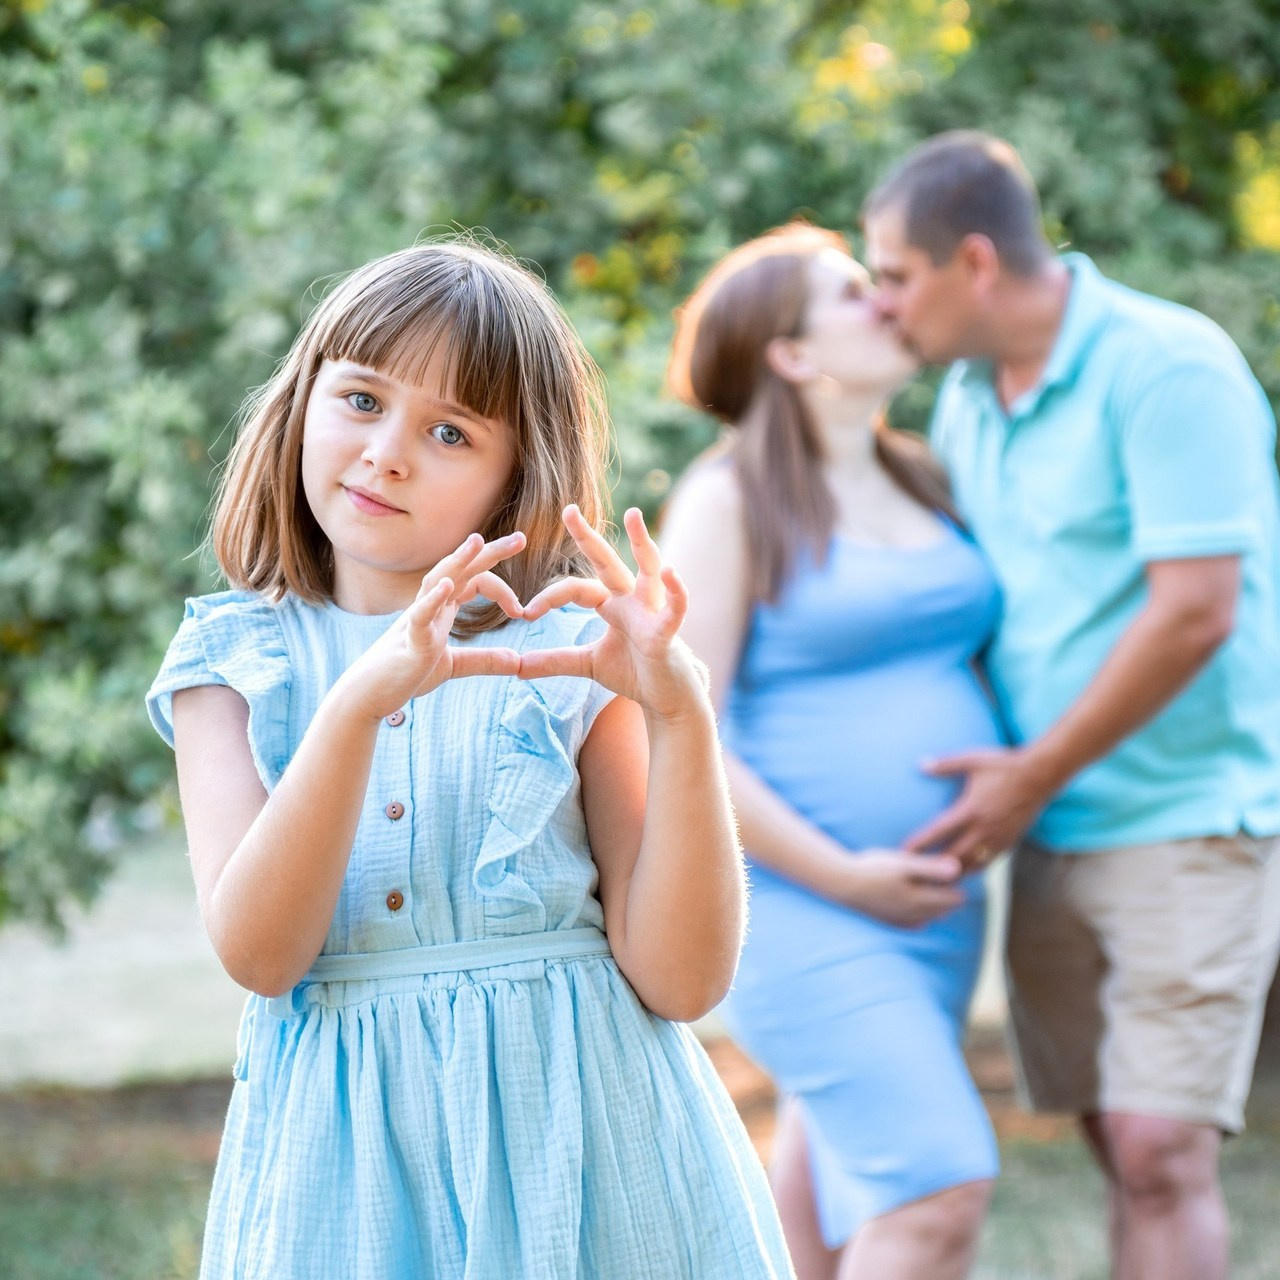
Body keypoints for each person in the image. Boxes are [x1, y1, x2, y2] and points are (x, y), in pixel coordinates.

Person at [144, 239, 794, 1280]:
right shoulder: (232, 661)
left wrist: (680, 716)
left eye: (450, 430)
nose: (386, 451)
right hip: (346, 1173)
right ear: (301, 399)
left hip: (588, 1153)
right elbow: (262, 953)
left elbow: (681, 977)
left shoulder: (571, 663)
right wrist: (358, 704)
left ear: (512, 479)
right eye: (360, 399)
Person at [863, 130, 1280, 1280]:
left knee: (1160, 1146)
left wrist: (1029, 771)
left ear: (975, 263)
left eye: (896, 275)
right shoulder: (961, 402)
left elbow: (1194, 609)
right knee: (1107, 1130)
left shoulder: (1167, 366)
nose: (884, 306)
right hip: (1048, 832)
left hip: (1187, 814)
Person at [659, 222, 1000, 1280]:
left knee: (810, 1218)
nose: (887, 301)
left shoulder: (921, 473)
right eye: (853, 291)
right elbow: (678, 729)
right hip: (804, 908)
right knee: (935, 1189)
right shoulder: (725, 501)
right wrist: (846, 871)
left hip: (929, 913)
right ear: (790, 354)